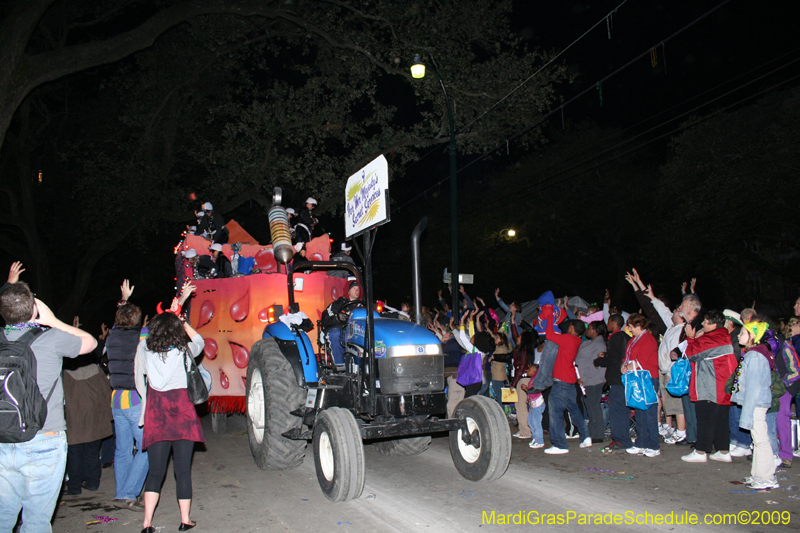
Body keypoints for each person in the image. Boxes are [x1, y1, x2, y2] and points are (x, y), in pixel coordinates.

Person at [0, 279, 97, 533]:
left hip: (2, 439)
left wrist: (10, 295)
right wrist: (52, 320)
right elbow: (90, 342)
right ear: (34, 309)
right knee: (36, 521)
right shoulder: (51, 338)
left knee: (2, 517)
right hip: (44, 438)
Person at [135, 307, 205, 532]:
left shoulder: (144, 348)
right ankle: (185, 520)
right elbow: (201, 342)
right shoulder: (184, 350)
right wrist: (183, 323)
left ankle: (147, 523)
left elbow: (139, 378)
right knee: (182, 471)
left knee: (155, 471)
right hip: (182, 415)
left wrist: (145, 405)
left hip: (157, 415)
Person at [106, 280, 149, 509]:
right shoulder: (141, 335)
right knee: (147, 447)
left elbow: (118, 322)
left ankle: (121, 492)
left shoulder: (112, 336)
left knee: (122, 450)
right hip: (135, 400)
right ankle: (130, 493)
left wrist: (123, 301)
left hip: (116, 400)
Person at [678, 310, 737, 463]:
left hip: (711, 387)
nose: (702, 324)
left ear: (714, 324)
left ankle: (701, 451)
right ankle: (723, 451)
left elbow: (691, 354)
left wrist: (690, 338)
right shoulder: (722, 336)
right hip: (722, 387)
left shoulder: (712, 339)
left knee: (705, 419)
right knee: (720, 420)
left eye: (705, 321)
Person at [730, 321, 778, 489]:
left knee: (761, 440)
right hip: (756, 402)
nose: (738, 335)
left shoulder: (755, 356)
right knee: (757, 440)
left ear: (752, 336)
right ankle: (758, 475)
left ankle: (767, 477)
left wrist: (747, 414)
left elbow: (754, 387)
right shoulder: (752, 354)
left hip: (756, 403)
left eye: (742, 333)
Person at [541, 306, 591, 454]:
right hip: (570, 380)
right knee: (574, 409)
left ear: (572, 327)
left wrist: (550, 318)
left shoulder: (568, 339)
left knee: (555, 411)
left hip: (561, 380)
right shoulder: (576, 340)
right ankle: (585, 437)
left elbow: (549, 335)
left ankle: (560, 444)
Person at [621, 313, 661, 457]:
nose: (630, 330)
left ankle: (654, 445)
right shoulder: (634, 339)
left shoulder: (648, 339)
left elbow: (641, 360)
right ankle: (641, 442)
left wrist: (628, 366)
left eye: (631, 327)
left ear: (638, 325)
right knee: (640, 412)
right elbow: (628, 357)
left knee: (649, 413)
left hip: (648, 379)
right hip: (637, 378)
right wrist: (624, 365)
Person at [595, 314, 632, 450]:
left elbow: (614, 360)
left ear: (613, 323)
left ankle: (620, 439)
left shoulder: (616, 337)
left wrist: (599, 361)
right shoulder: (625, 337)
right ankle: (622, 438)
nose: (607, 324)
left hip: (617, 379)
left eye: (608, 322)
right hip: (623, 378)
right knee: (622, 410)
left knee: (617, 411)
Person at [575, 321, 607, 443]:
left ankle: (597, 435)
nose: (587, 330)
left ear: (595, 330)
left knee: (593, 408)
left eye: (589, 328)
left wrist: (585, 377)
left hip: (593, 380)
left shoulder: (598, 345)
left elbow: (596, 365)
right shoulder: (591, 343)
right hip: (589, 380)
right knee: (591, 407)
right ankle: (593, 433)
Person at [321, 281, 363, 365]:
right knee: (335, 334)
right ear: (348, 291)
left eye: (358, 288)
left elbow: (378, 315)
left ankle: (367, 367)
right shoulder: (338, 304)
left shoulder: (364, 306)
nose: (357, 290)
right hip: (343, 333)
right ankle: (340, 366)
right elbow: (325, 319)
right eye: (354, 288)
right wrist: (337, 318)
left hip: (360, 334)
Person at [520, 361, 545, 449]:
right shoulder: (532, 379)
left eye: (529, 369)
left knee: (536, 422)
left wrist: (526, 389)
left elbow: (535, 391)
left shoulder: (537, 380)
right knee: (530, 421)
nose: (527, 370)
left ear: (534, 372)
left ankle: (540, 441)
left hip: (538, 405)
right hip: (532, 405)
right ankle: (535, 438)